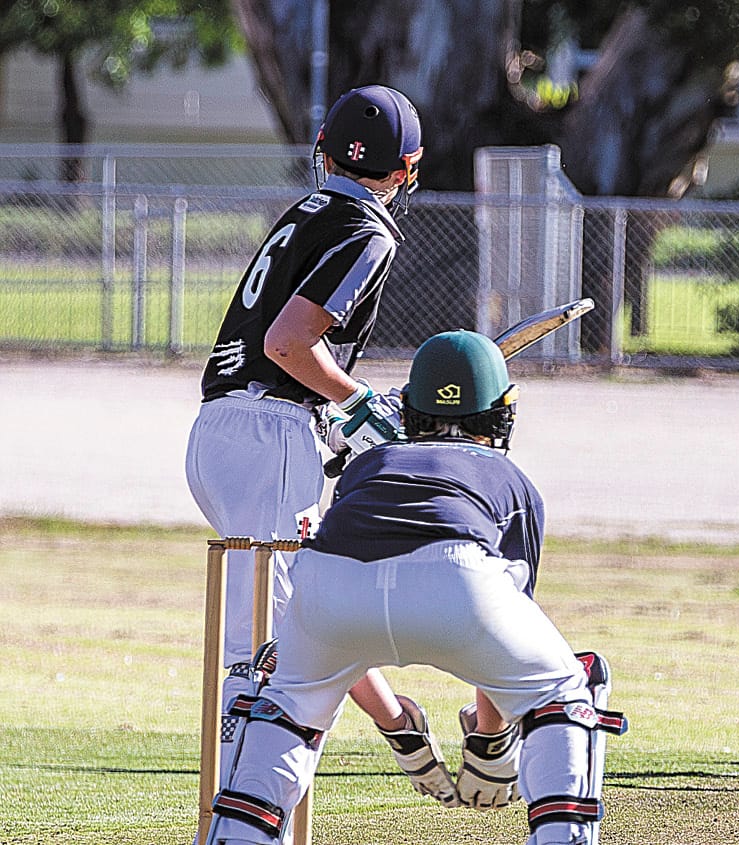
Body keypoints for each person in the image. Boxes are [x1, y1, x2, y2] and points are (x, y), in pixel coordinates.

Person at [200, 330, 626, 844]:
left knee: (287, 706)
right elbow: (503, 631)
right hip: (457, 577)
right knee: (565, 690)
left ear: (408, 409)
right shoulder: (511, 479)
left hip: (330, 584)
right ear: (501, 414)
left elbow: (350, 621)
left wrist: (399, 728)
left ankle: (236, 836)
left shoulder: (366, 467)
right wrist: (490, 744)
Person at [184, 85, 455, 801]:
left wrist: (331, 411)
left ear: (325, 152)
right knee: (260, 653)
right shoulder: (369, 228)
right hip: (265, 433)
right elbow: (287, 343)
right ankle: (239, 815)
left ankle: (397, 720)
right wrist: (357, 400)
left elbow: (273, 346)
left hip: (227, 426)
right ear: (406, 169)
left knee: (308, 607)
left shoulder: (307, 210)